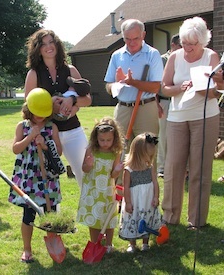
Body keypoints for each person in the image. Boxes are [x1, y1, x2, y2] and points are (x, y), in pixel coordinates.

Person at [161, 16, 224, 230]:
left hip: (205, 117)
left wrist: (210, 89)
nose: (187, 48)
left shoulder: (211, 56)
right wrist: (179, 88)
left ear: (203, 42)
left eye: (192, 44)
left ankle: (197, 220)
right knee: (173, 167)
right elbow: (164, 88)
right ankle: (170, 216)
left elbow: (218, 91)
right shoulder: (174, 57)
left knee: (200, 169)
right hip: (177, 117)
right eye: (184, 43)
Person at [24, 29, 92, 189]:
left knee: (86, 172)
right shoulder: (34, 74)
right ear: (37, 49)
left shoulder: (70, 70)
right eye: (43, 44)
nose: (48, 47)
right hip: (46, 132)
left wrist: (72, 100)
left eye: (51, 42)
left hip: (73, 130)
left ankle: (89, 211)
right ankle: (51, 211)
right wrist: (51, 105)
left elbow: (88, 99)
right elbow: (28, 109)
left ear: (58, 45)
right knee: (45, 176)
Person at [8, 88, 63, 263]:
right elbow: (16, 148)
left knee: (50, 213)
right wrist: (30, 136)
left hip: (47, 177)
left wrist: (45, 145)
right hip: (30, 178)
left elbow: (59, 151)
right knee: (28, 214)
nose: (40, 117)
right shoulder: (22, 127)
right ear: (29, 109)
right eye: (37, 113)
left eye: (43, 114)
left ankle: (53, 245)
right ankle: (27, 249)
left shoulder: (51, 127)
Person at [104, 19, 163, 149]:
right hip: (123, 109)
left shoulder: (152, 54)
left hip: (146, 108)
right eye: (127, 39)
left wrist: (132, 82)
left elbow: (155, 87)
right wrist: (115, 85)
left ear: (143, 35)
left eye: (135, 38)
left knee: (147, 151)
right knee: (119, 151)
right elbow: (108, 85)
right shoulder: (116, 55)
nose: (131, 43)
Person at [76, 117, 123, 253]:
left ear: (115, 139)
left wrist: (117, 170)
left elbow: (113, 175)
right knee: (94, 217)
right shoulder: (91, 149)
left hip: (107, 190)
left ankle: (108, 244)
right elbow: (84, 169)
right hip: (93, 190)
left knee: (109, 216)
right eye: (102, 140)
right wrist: (88, 165)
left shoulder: (115, 153)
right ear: (96, 138)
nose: (105, 143)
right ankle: (95, 242)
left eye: (109, 140)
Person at [118, 132, 162, 253]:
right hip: (134, 201)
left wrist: (156, 197)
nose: (149, 158)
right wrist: (127, 203)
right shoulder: (129, 170)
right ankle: (132, 244)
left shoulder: (150, 167)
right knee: (134, 218)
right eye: (148, 155)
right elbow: (126, 187)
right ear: (138, 154)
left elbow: (155, 183)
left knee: (146, 218)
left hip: (147, 200)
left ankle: (145, 243)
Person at [156, 34, 182, 178]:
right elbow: (155, 84)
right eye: (181, 46)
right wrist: (156, 104)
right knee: (164, 135)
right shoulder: (162, 60)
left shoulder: (184, 60)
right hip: (164, 101)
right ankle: (161, 168)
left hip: (180, 102)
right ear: (173, 45)